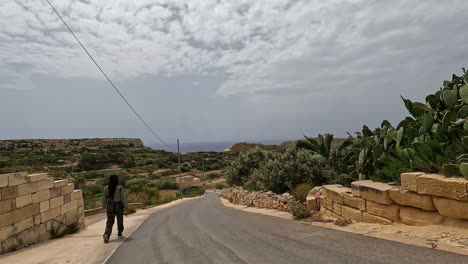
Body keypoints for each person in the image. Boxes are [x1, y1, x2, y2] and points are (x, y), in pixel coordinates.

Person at [102, 174, 128, 243]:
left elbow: (104, 199)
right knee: (120, 219)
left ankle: (107, 234)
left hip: (110, 205)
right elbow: (123, 198)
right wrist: (126, 207)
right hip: (118, 205)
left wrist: (103, 207)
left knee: (110, 221)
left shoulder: (106, 188)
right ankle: (119, 233)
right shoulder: (120, 188)